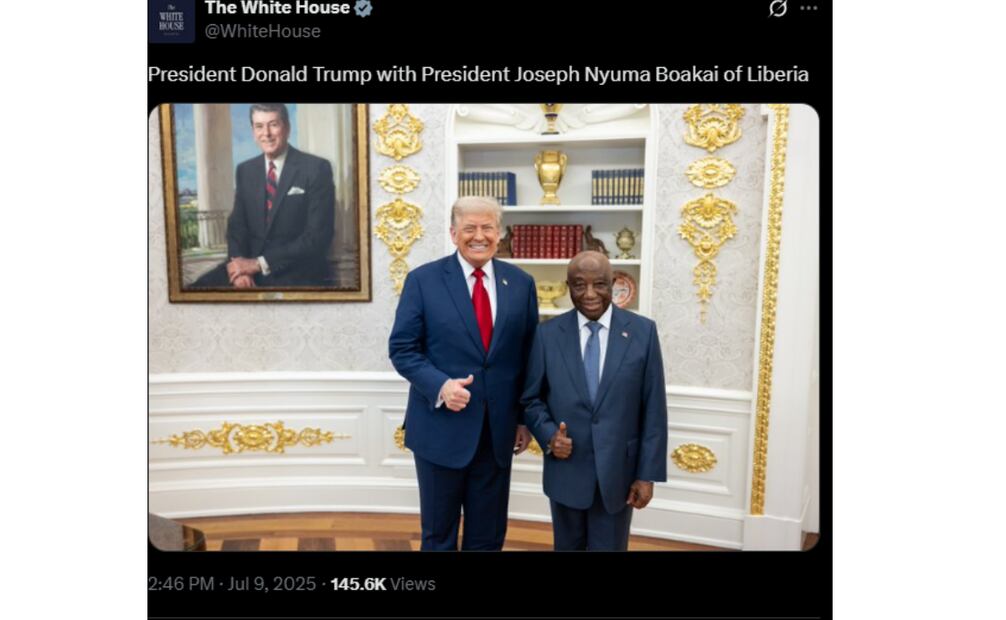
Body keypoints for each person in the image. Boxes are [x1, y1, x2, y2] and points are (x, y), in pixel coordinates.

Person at [388, 196, 538, 550]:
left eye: (487, 227)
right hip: (440, 431)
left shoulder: (521, 284)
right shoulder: (423, 281)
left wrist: (524, 419)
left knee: (487, 537)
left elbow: (530, 356)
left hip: (498, 435)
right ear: (454, 233)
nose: (479, 236)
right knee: (439, 536)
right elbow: (402, 349)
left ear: (499, 233)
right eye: (469, 228)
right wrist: (441, 386)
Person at [520, 251, 667, 551]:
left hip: (619, 476)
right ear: (568, 286)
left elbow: (653, 409)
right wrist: (549, 436)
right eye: (578, 285)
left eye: (599, 284)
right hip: (566, 473)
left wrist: (647, 475)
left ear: (613, 284)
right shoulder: (546, 334)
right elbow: (531, 399)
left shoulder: (643, 332)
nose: (589, 294)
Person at [191, 103, 335, 288]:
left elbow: (317, 237)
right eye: (259, 126)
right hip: (248, 267)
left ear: (287, 128)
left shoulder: (316, 168)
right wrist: (239, 268)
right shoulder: (246, 170)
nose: (266, 133)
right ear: (253, 131)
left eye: (273, 124)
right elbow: (237, 226)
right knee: (194, 291)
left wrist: (258, 264)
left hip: (295, 270)